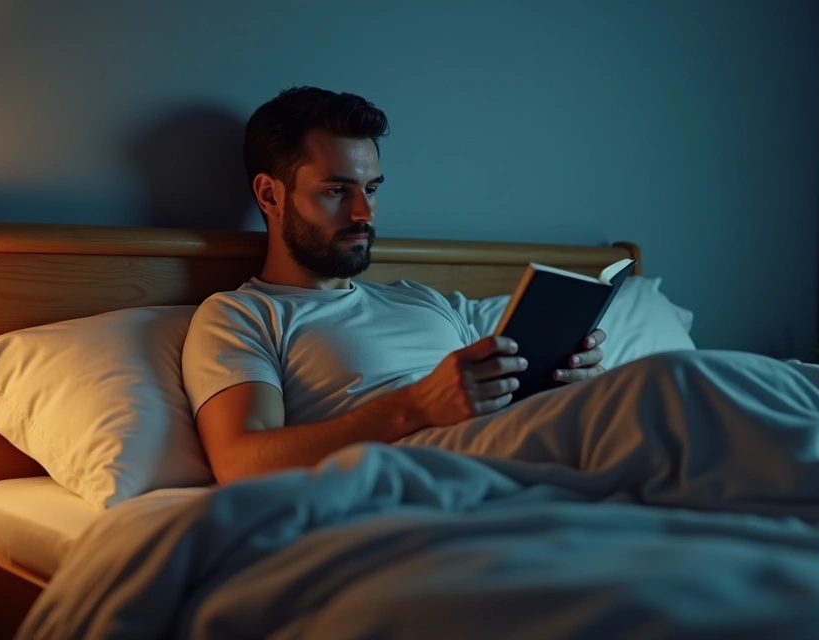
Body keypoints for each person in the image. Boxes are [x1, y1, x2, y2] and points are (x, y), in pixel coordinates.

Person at [182, 86, 608, 484]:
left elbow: (496, 402)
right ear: (270, 196)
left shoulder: (423, 300)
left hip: (517, 459)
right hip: (431, 480)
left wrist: (565, 387)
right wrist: (416, 406)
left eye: (371, 189)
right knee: (669, 380)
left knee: (636, 390)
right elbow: (241, 465)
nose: (364, 213)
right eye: (336, 191)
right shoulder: (243, 316)